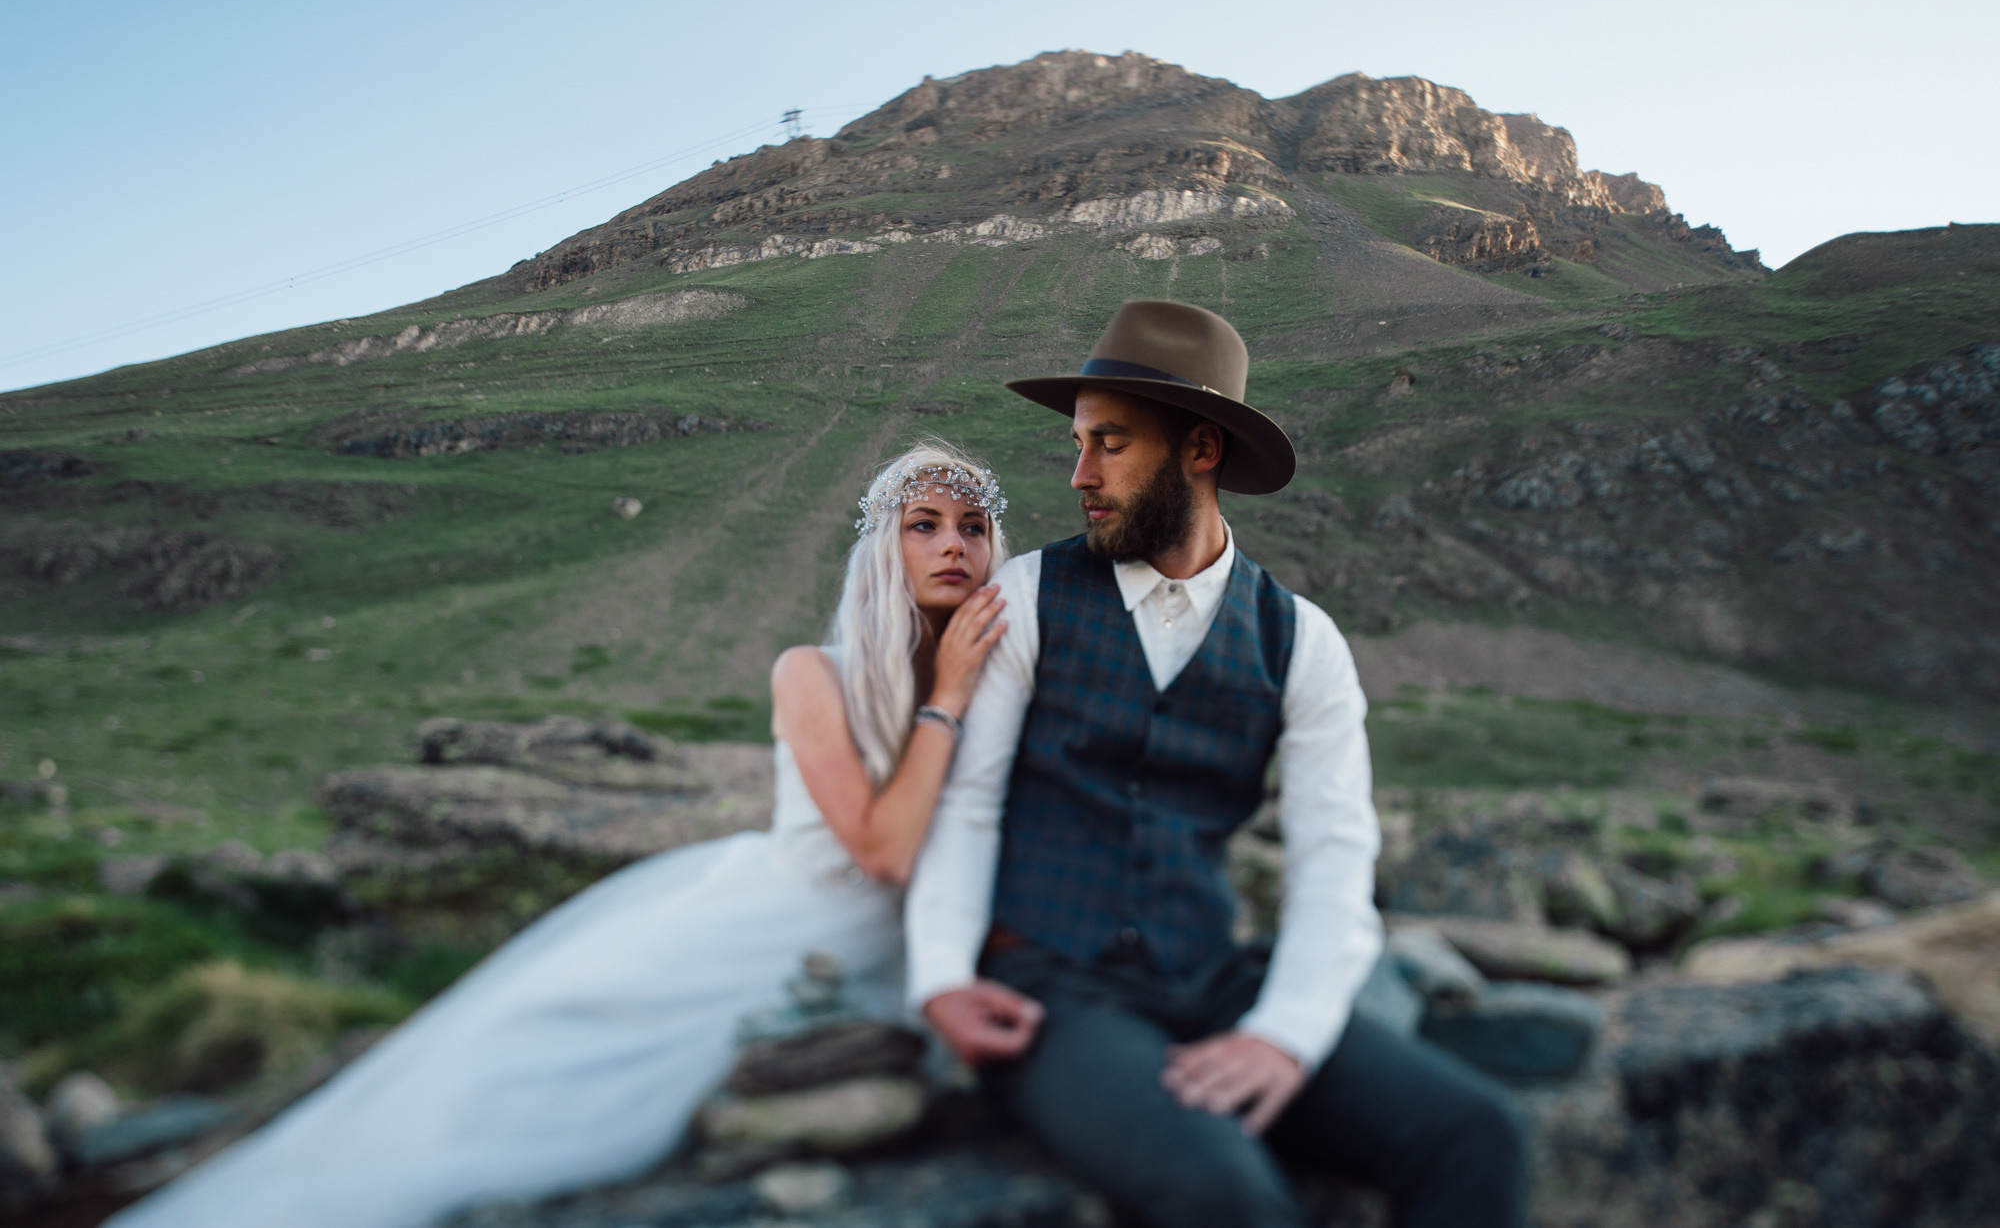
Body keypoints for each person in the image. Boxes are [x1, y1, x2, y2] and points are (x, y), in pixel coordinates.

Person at [110, 441, 1011, 1228]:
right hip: (783, 920)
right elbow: (884, 852)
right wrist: (949, 698)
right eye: (922, 523)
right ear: (880, 549)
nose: (952, 547)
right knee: (535, 1071)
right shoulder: (813, 675)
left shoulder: (1010, 682)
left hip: (919, 949)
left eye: (972, 527)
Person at [907, 302, 1528, 1228]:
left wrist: (1284, 1033)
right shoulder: (1027, 596)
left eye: (1109, 444)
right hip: (1053, 991)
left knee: (1479, 1134)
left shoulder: (1301, 641)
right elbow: (966, 804)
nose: (1080, 475)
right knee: (1224, 1189)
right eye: (1078, 444)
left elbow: (1334, 856)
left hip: (1211, 977)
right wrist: (941, 979)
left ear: (1201, 449)